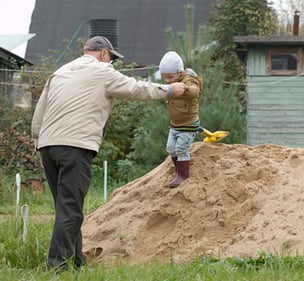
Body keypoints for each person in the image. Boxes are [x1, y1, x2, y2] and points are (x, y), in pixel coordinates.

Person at [31, 36, 186, 271]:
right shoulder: (102, 71)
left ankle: (76, 261)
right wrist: (169, 89)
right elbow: (136, 89)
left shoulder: (61, 72)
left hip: (48, 145)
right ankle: (57, 267)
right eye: (112, 58)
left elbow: (39, 113)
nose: (111, 63)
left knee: (67, 208)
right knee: (71, 209)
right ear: (104, 54)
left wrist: (39, 145)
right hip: (75, 145)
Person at [159, 51, 203, 188]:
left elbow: (195, 90)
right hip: (175, 125)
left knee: (181, 148)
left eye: (170, 77)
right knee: (170, 148)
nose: (167, 81)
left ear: (179, 73)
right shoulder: (173, 81)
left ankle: (184, 175)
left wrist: (186, 89)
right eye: (164, 78)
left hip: (188, 124)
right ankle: (178, 172)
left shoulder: (189, 80)